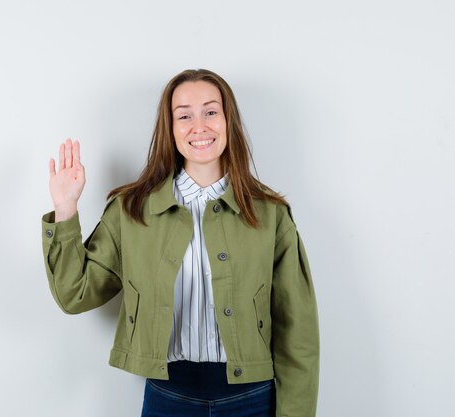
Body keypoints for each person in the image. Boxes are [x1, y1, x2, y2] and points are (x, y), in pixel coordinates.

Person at [41, 69, 319, 417]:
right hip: (168, 400)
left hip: (253, 400)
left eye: (211, 112)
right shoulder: (132, 210)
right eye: (184, 115)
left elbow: (299, 333)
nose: (198, 126)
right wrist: (65, 209)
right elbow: (74, 294)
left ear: (228, 121)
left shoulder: (270, 214)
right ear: (170, 129)